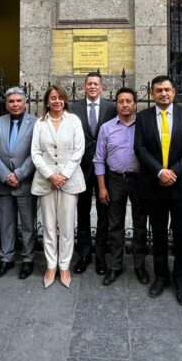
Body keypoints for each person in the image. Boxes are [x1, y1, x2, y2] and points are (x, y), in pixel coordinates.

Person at [134, 75, 182, 306]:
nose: (163, 94)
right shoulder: (143, 117)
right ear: (151, 94)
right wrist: (159, 172)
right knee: (159, 235)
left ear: (174, 92)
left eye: (167, 90)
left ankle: (181, 280)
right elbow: (140, 149)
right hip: (155, 186)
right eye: (158, 90)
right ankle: (161, 276)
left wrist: (173, 172)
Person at [31, 85, 85, 289]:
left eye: (60, 98)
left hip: (69, 181)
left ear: (65, 101)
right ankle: (51, 265)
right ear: (47, 101)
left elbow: (78, 151)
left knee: (67, 226)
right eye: (53, 98)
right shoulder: (40, 123)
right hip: (46, 181)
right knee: (49, 225)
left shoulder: (74, 121)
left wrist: (63, 175)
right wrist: (50, 175)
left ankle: (64, 266)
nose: (57, 101)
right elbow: (35, 152)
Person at [93, 87, 147, 286]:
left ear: (135, 104)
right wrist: (102, 187)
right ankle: (115, 266)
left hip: (139, 180)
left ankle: (139, 266)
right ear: (116, 104)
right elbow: (99, 159)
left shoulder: (143, 125)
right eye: (121, 101)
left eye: (128, 101)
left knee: (140, 225)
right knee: (115, 225)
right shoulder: (106, 128)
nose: (125, 105)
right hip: (115, 180)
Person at [0, 87, 38, 279]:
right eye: (11, 101)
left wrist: (19, 174)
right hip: (3, 183)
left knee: (27, 223)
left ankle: (28, 259)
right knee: (6, 223)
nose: (15, 104)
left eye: (18, 100)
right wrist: (6, 175)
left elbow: (36, 152)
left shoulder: (36, 122)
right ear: (6, 104)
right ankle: (6, 258)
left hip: (25, 181)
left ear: (25, 102)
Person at [71, 72, 116, 275]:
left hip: (104, 170)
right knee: (82, 211)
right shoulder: (74, 108)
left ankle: (100, 254)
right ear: (84, 86)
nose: (92, 87)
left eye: (96, 84)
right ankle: (84, 253)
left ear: (101, 87)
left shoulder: (111, 108)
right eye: (89, 83)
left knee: (103, 212)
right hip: (80, 167)